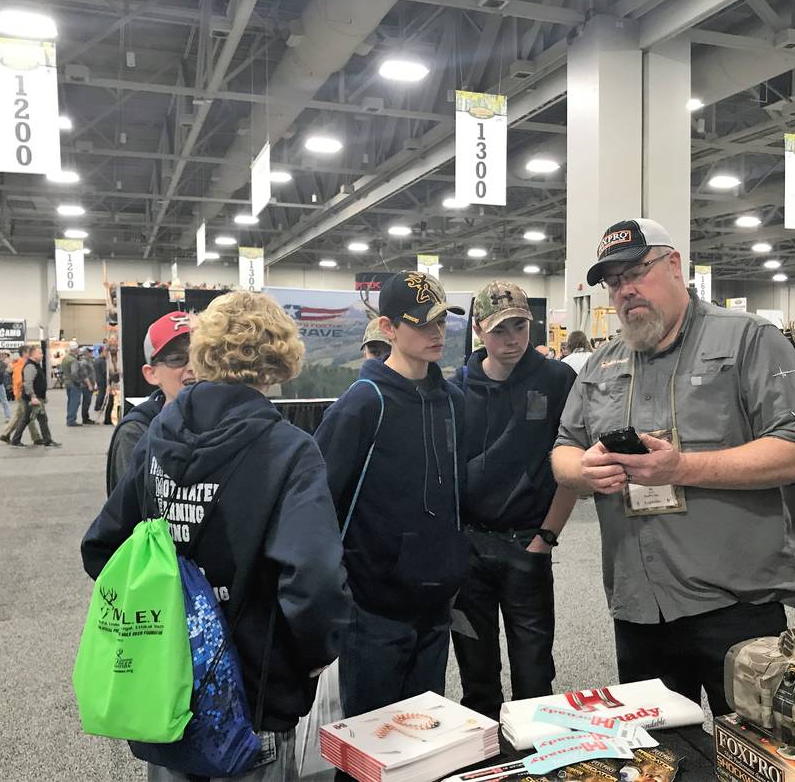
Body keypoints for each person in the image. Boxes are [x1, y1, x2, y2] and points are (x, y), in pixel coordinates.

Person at [551, 218, 795, 716]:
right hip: (639, 606)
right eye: (614, 283)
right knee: (660, 758)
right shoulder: (600, 365)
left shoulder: (749, 339)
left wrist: (682, 468)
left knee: (752, 755)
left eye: (636, 271)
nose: (625, 291)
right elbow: (563, 449)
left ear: (675, 265)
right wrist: (583, 471)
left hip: (736, 607)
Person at [82, 290, 352, 782]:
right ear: (280, 359)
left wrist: (165, 612)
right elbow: (314, 582)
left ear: (203, 350)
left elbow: (102, 547)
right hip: (252, 697)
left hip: (164, 685)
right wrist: (314, 657)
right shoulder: (289, 450)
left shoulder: (158, 434)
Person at [314, 270, 468, 720]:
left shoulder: (453, 401)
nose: (436, 333)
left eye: (441, 321)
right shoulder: (363, 402)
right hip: (374, 611)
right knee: (372, 741)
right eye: (421, 323)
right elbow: (322, 499)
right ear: (388, 329)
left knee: (424, 735)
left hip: (437, 605)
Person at [451, 281, 578, 721]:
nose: (513, 339)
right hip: (470, 550)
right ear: (480, 330)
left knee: (535, 677)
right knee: (476, 675)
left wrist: (547, 536)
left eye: (520, 326)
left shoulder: (557, 380)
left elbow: (573, 462)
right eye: (501, 329)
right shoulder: (457, 389)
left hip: (528, 543)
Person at [106, 311, 195, 494]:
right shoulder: (136, 432)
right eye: (177, 359)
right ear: (151, 373)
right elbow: (131, 509)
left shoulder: (231, 421)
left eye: (201, 356)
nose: (193, 368)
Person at [10, 345, 61, 448]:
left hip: (37, 398)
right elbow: (28, 383)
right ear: (33, 354)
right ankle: (16, 440)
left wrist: (43, 396)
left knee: (41, 419)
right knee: (27, 419)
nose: (42, 355)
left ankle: (47, 440)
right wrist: (33, 397)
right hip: (31, 399)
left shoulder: (36, 365)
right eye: (40, 353)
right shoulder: (30, 366)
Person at [0, 345, 42, 445]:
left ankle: (5, 434)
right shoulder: (21, 365)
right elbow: (20, 381)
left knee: (19, 415)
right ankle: (36, 437)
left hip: (22, 393)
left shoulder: (22, 364)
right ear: (24, 353)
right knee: (28, 416)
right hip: (22, 394)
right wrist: (27, 393)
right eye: (29, 352)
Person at [69, 348, 96, 426]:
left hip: (90, 384)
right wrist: (89, 385)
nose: (92, 354)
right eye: (90, 352)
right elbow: (85, 375)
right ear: (87, 353)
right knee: (86, 402)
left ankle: (86, 417)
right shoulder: (84, 362)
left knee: (88, 401)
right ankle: (85, 418)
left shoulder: (89, 361)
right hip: (86, 386)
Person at [62, 342, 81, 426]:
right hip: (74, 384)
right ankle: (71, 419)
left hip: (67, 382)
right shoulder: (73, 360)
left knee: (70, 401)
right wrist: (79, 381)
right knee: (75, 401)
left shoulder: (65, 358)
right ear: (75, 349)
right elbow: (75, 373)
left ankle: (69, 418)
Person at [93, 346, 108, 412]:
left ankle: (98, 406)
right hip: (102, 379)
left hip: (98, 378)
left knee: (100, 393)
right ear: (101, 352)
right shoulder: (102, 361)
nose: (107, 353)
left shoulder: (97, 360)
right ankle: (98, 406)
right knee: (101, 393)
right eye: (105, 351)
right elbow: (104, 371)